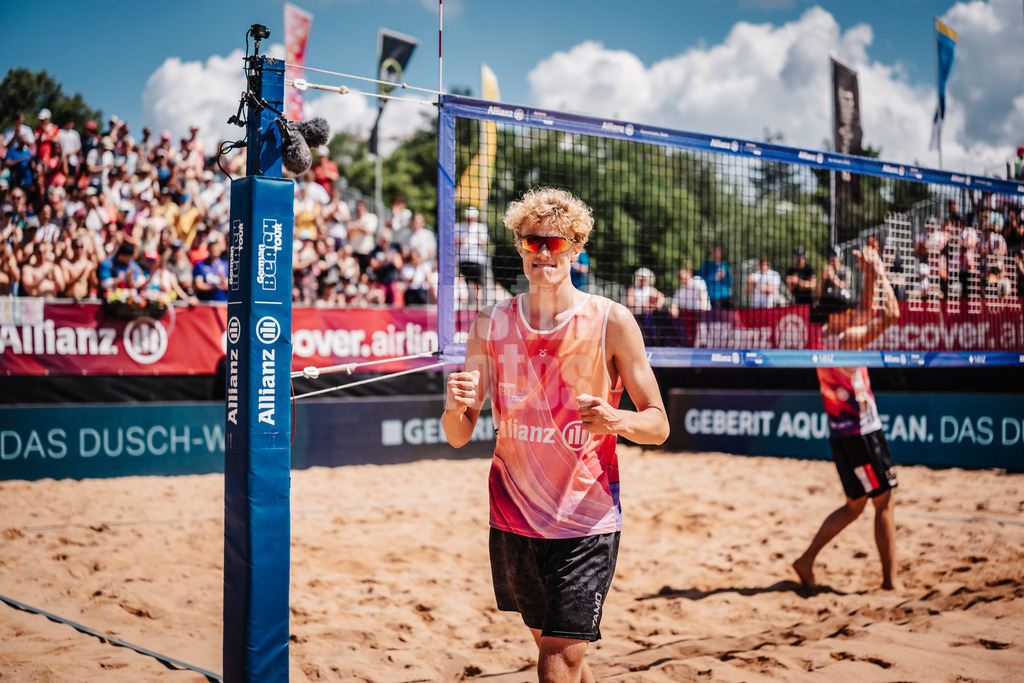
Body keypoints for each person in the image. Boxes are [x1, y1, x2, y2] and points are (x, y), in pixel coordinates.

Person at [441, 187, 669, 683]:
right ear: (519, 246)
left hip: (586, 520)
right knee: (559, 651)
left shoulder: (611, 320)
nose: (543, 252)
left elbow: (658, 424)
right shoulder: (490, 322)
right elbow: (458, 434)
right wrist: (455, 407)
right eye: (532, 241)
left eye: (556, 243)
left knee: (556, 662)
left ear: (577, 248)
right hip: (513, 517)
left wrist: (617, 420)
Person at [793, 242, 901, 591]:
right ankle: (891, 583)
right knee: (883, 502)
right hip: (862, 433)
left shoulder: (823, 337)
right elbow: (891, 315)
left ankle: (806, 560)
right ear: (838, 315)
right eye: (848, 310)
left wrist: (867, 272)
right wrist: (880, 271)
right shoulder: (848, 340)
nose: (855, 312)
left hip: (841, 433)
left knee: (855, 506)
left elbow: (865, 308)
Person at [455, 206, 490, 309]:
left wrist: (478, 236)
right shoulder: (458, 227)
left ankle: (477, 307)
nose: (470, 220)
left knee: (477, 285)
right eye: (468, 218)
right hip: (463, 259)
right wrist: (465, 235)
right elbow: (456, 243)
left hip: (477, 260)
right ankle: (463, 308)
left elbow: (484, 244)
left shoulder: (481, 228)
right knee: (462, 284)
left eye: (472, 218)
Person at [697, 244, 732, 309]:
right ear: (712, 253)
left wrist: (723, 277)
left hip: (725, 296)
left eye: (718, 251)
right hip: (713, 296)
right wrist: (714, 277)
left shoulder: (724, 265)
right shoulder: (706, 265)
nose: (716, 254)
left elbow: (729, 282)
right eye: (714, 252)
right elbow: (700, 280)